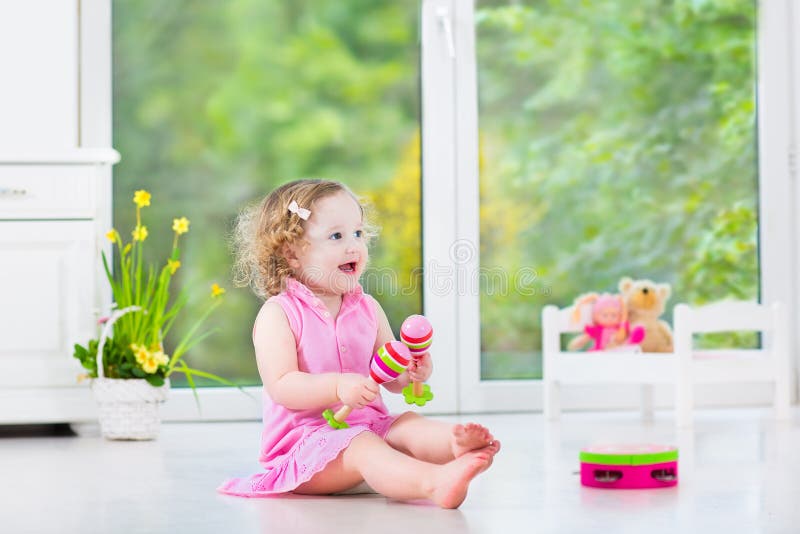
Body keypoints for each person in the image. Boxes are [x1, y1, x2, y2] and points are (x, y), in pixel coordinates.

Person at [218, 179, 500, 508]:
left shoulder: (368, 309)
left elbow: (391, 377)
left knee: (406, 425)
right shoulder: (278, 314)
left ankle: (457, 446)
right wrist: (338, 387)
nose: (354, 246)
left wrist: (412, 372)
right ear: (293, 254)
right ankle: (433, 483)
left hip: (368, 426)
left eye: (358, 233)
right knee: (362, 445)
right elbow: (283, 386)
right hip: (306, 448)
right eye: (337, 236)